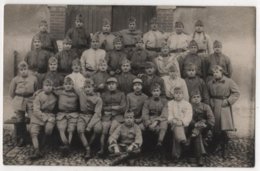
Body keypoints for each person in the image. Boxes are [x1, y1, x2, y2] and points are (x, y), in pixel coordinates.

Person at [207, 65, 240, 159]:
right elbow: (208, 94)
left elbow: (236, 92)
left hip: (223, 106)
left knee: (223, 128)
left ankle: (224, 148)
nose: (215, 74)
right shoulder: (210, 83)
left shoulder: (229, 81)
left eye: (217, 72)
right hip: (214, 106)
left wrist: (228, 101)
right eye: (213, 72)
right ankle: (214, 146)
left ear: (222, 72)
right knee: (215, 127)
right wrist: (210, 101)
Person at [9, 61, 38, 147]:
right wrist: (17, 99)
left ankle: (34, 137)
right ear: (19, 71)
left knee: (33, 117)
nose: (23, 71)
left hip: (30, 100)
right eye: (21, 70)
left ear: (28, 69)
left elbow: (36, 90)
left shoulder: (33, 78)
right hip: (19, 100)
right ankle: (22, 138)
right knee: (20, 119)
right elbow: (11, 92)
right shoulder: (15, 79)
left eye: (25, 69)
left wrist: (33, 98)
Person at [29, 79, 57, 160]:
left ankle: (42, 146)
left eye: (50, 86)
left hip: (50, 115)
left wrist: (49, 118)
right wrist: (45, 118)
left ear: (52, 87)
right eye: (46, 86)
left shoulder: (55, 96)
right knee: (33, 131)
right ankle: (36, 150)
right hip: (38, 116)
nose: (48, 87)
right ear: (43, 87)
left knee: (48, 130)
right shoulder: (38, 96)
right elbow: (36, 110)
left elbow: (62, 88)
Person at [76, 78, 103, 159]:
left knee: (98, 129)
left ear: (93, 87)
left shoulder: (98, 99)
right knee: (80, 130)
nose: (87, 89)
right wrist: (39, 91)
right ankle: (87, 148)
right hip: (83, 116)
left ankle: (90, 144)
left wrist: (90, 126)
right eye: (86, 87)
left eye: (89, 87)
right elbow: (68, 87)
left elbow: (97, 113)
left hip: (94, 117)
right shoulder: (81, 93)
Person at [99, 77, 126, 156]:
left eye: (113, 84)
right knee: (104, 129)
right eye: (109, 84)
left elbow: (123, 107)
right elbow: (102, 107)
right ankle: (102, 149)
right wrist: (113, 107)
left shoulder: (121, 94)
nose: (111, 86)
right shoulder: (104, 95)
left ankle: (112, 148)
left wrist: (110, 109)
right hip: (106, 116)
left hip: (118, 116)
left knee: (113, 129)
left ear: (116, 85)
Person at [189, 90, 215, 166]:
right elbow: (187, 118)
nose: (196, 99)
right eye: (194, 97)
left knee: (198, 132)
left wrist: (205, 124)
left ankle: (198, 156)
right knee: (197, 133)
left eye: (198, 97)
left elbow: (212, 119)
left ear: (201, 98)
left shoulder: (206, 106)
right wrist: (195, 124)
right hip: (192, 127)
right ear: (191, 99)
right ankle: (200, 157)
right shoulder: (189, 107)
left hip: (205, 128)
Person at [55, 77, 79, 156]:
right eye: (66, 84)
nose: (68, 86)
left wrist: (74, 88)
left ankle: (66, 146)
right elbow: (50, 88)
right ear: (63, 85)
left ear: (72, 85)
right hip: (62, 114)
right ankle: (67, 145)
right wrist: (38, 91)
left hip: (73, 114)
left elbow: (82, 92)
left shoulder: (76, 93)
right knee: (61, 128)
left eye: (69, 84)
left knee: (71, 129)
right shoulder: (60, 92)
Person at [167, 87, 193, 161]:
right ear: (173, 94)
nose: (178, 95)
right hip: (173, 123)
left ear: (183, 94)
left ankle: (176, 155)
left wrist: (182, 122)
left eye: (180, 93)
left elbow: (189, 115)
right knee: (176, 127)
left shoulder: (187, 104)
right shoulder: (170, 103)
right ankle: (183, 141)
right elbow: (169, 114)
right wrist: (173, 120)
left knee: (178, 128)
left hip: (184, 124)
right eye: (176, 93)